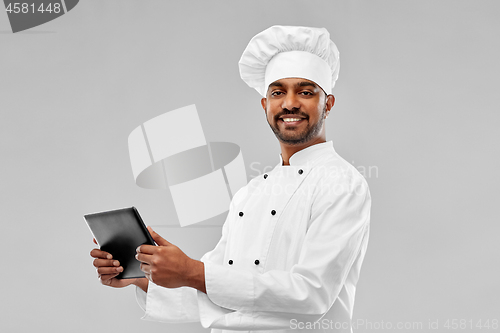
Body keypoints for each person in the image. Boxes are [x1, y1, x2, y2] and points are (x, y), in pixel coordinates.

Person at [90, 25, 371, 333]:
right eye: (277, 92)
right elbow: (219, 293)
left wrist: (193, 272)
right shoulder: (251, 193)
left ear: (327, 104)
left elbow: (311, 294)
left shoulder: (342, 183)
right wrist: (143, 276)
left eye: (305, 92)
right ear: (265, 106)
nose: (290, 103)